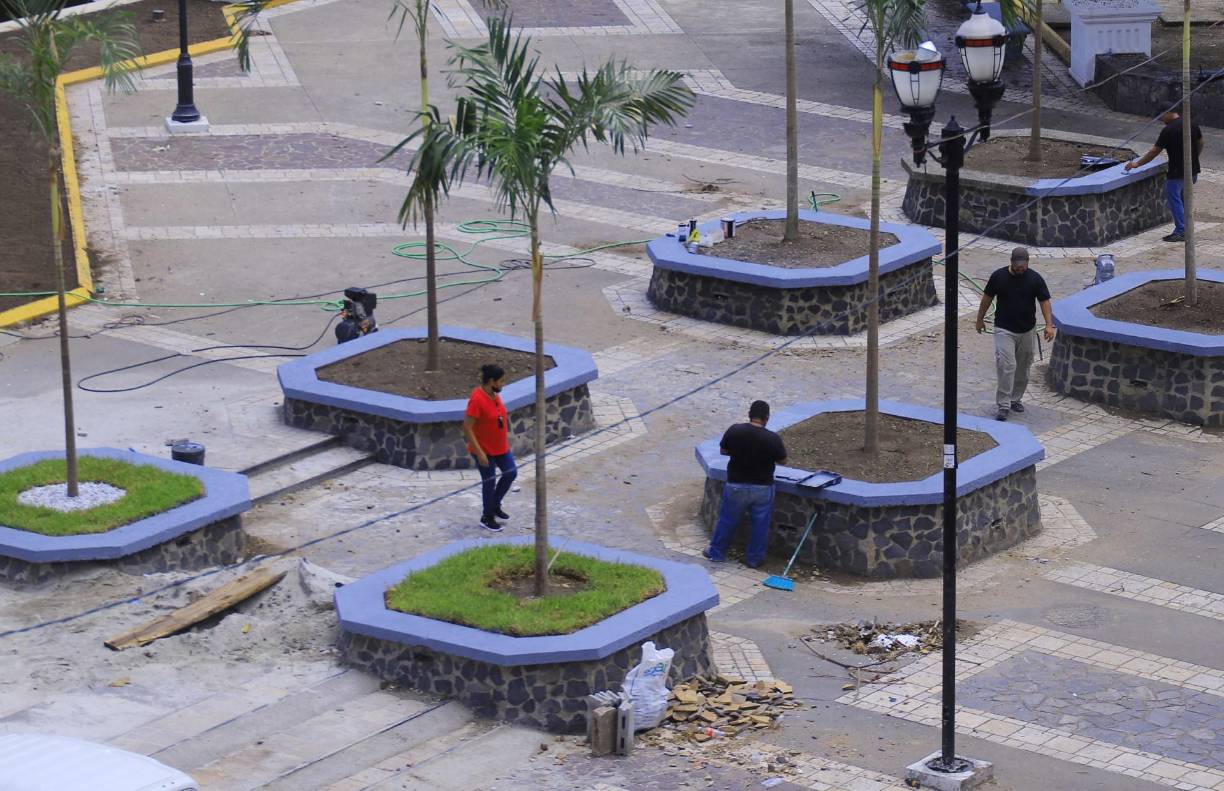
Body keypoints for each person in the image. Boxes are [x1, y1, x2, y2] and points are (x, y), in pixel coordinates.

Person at [703, 400, 788, 569]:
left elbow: (723, 450)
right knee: (760, 525)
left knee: (727, 520)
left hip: (736, 485)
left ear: (750, 414)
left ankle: (717, 552)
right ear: (767, 417)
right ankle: (754, 560)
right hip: (762, 488)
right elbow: (783, 460)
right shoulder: (772, 438)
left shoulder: (735, 430)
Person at [975, 247, 1055, 422]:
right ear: (1011, 262)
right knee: (1007, 365)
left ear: (1027, 263)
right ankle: (1003, 405)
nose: (1021, 269)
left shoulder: (1035, 279)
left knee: (1023, 367)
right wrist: (980, 319)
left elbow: (1044, 302)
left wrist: (1049, 325)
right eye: (1018, 266)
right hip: (1004, 330)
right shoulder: (998, 277)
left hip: (1027, 330)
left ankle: (1015, 399)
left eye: (1023, 266)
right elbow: (987, 298)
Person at [1124, 110, 1204, 243]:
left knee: (1174, 197)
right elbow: (1201, 142)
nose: (1162, 120)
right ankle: (1187, 228)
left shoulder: (1168, 130)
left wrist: (1136, 164)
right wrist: (1194, 158)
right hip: (1193, 171)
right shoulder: (1192, 124)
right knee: (1184, 199)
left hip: (1177, 173)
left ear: (1167, 113)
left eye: (1161, 116)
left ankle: (1182, 230)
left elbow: (1154, 151)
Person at [463, 364, 517, 532]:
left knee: (510, 473)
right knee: (489, 482)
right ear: (492, 381)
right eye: (501, 381)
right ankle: (487, 517)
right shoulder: (477, 399)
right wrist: (479, 453)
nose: (503, 384)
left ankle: (494, 505)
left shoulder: (493, 394)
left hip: (500, 447)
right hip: (485, 450)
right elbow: (467, 427)